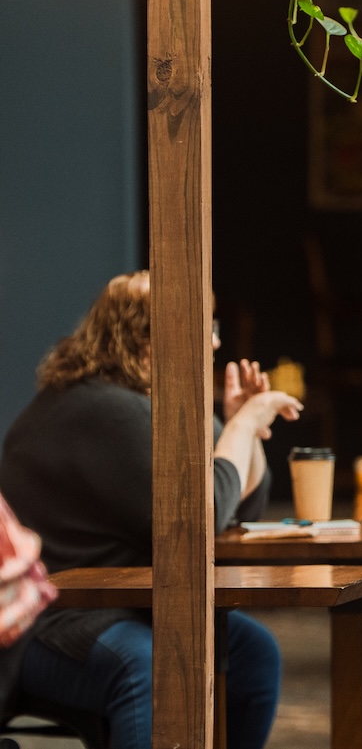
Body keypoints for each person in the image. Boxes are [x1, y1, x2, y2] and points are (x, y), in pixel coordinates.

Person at [0, 271, 299, 749]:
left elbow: (239, 509)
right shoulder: (104, 412)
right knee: (146, 664)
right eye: (205, 328)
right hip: (53, 626)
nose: (216, 343)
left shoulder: (130, 405)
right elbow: (202, 520)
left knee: (251, 654)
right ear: (147, 338)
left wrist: (246, 432)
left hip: (121, 608)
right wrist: (239, 428)